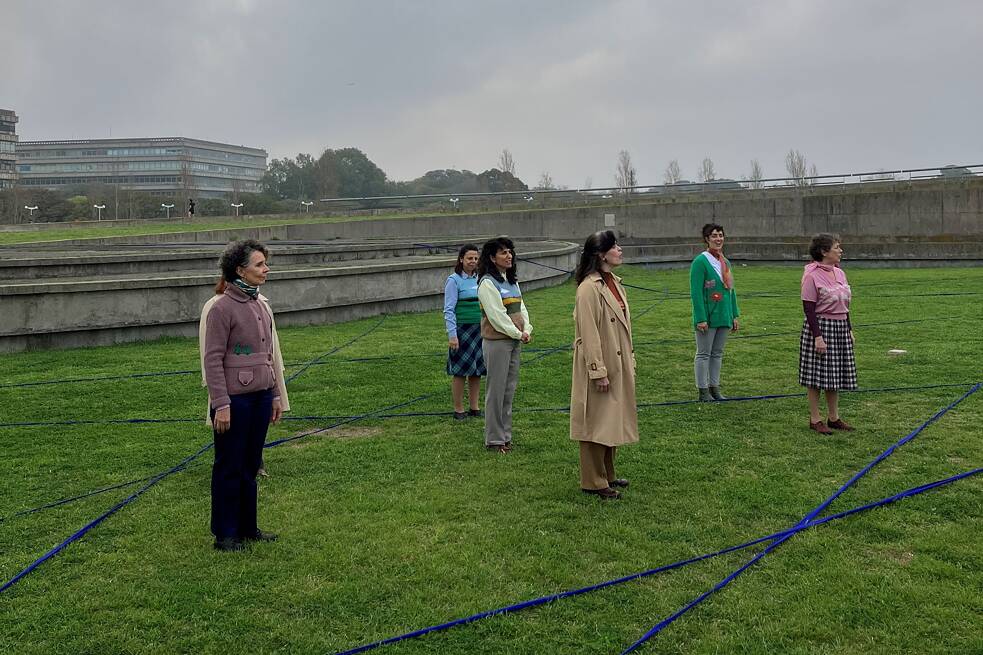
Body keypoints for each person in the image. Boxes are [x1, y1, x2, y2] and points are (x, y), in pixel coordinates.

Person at [199, 239, 289, 551]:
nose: (266, 270)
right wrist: (221, 404)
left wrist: (275, 394)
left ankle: (247, 527)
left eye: (265, 263)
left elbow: (268, 354)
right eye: (259, 264)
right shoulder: (222, 307)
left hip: (261, 396)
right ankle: (225, 533)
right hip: (234, 400)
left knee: (250, 464)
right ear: (240, 270)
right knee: (229, 465)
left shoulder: (259, 305)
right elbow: (212, 360)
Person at [570, 230, 638, 500]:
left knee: (610, 420)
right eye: (614, 246)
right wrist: (597, 370)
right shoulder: (588, 288)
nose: (620, 250)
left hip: (617, 360)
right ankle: (593, 480)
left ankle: (607, 474)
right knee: (595, 422)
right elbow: (589, 333)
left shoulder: (613, 282)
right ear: (601, 254)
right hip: (600, 363)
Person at [477, 236, 532, 453]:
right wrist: (517, 333)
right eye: (503, 252)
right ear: (492, 257)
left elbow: (521, 309)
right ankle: (494, 439)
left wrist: (527, 329)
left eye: (510, 252)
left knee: (509, 390)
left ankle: (505, 436)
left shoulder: (511, 280)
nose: (509, 256)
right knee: (496, 390)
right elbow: (497, 316)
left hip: (515, 340)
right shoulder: (487, 283)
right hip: (497, 343)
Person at [799, 233, 857, 434]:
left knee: (834, 375)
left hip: (840, 327)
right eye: (837, 247)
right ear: (824, 252)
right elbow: (808, 308)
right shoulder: (811, 276)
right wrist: (818, 336)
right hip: (821, 328)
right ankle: (815, 419)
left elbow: (845, 304)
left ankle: (834, 417)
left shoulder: (840, 273)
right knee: (816, 375)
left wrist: (848, 329)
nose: (840, 251)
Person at [689, 223, 740, 402]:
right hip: (708, 317)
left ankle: (714, 387)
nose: (718, 239)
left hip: (723, 315)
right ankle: (703, 390)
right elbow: (696, 293)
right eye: (714, 236)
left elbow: (730, 290)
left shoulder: (725, 262)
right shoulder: (700, 262)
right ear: (707, 239)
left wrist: (734, 314)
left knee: (717, 353)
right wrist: (701, 318)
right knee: (704, 353)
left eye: (720, 235)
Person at [443, 244, 485, 420]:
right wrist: (452, 335)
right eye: (469, 258)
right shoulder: (453, 280)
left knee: (476, 370)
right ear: (461, 259)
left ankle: (474, 407)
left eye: (476, 258)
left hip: (480, 330)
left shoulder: (481, 279)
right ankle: (459, 408)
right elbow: (449, 309)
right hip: (462, 331)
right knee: (460, 371)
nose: (473, 261)